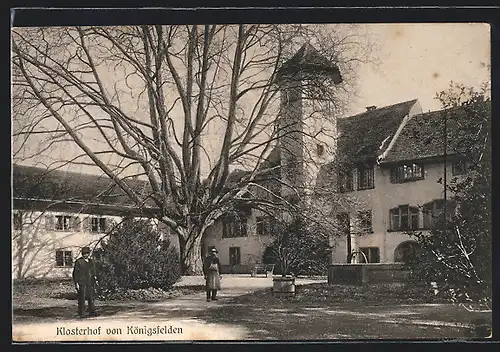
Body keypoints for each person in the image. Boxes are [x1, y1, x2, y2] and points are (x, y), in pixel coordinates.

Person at [72, 246, 99, 318]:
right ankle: (81, 313)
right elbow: (75, 273)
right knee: (82, 298)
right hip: (82, 282)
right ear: (82, 254)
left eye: (87, 253)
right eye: (84, 253)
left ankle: (92, 311)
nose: (86, 255)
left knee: (91, 297)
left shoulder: (91, 261)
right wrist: (76, 283)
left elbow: (93, 271)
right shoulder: (79, 262)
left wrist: (95, 279)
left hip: (90, 282)